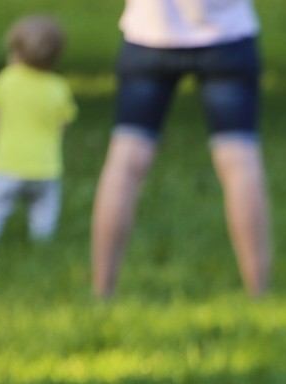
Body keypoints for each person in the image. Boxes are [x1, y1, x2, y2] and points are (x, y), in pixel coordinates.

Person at [90, 0, 273, 298]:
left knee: (125, 160)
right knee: (240, 162)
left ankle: (102, 292)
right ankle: (259, 292)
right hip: (228, 37)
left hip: (148, 35)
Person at [0, 15, 78, 243]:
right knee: (43, 211)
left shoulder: (8, 80)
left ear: (17, 53)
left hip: (7, 163)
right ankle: (42, 243)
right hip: (45, 166)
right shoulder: (58, 87)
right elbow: (63, 124)